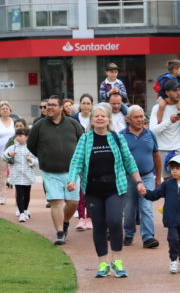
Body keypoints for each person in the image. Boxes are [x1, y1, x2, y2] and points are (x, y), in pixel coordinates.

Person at [67, 103, 145, 278]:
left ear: (109, 119)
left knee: (115, 221)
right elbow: (76, 162)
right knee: (99, 226)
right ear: (92, 120)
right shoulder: (85, 139)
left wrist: (138, 181)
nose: (100, 118)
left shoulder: (116, 138)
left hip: (115, 188)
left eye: (103, 116)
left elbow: (129, 161)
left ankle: (117, 261)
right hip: (93, 190)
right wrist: (72, 180)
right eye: (96, 116)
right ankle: (103, 263)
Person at [27, 95, 83, 245]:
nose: (49, 108)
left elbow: (82, 141)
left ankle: (65, 222)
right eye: (47, 105)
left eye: (53, 105)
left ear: (61, 107)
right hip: (50, 172)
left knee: (73, 203)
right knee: (56, 201)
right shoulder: (39, 126)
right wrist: (44, 156)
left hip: (72, 171)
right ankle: (59, 232)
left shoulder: (73, 124)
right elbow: (31, 145)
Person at [140, 155, 180, 274]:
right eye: (172, 168)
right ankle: (173, 261)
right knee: (172, 239)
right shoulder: (167, 184)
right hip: (170, 218)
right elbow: (155, 195)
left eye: (178, 168)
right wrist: (145, 193)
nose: (174, 171)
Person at [121, 105, 163, 248]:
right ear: (128, 119)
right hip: (128, 178)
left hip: (147, 177)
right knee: (129, 209)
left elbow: (156, 156)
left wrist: (158, 177)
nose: (140, 120)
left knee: (146, 207)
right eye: (136, 117)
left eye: (141, 116)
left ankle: (148, 237)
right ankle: (129, 233)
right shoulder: (121, 136)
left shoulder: (150, 134)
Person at [149, 80, 180, 179]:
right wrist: (170, 121)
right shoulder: (157, 108)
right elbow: (152, 131)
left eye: (179, 90)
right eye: (174, 90)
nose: (178, 92)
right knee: (168, 185)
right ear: (167, 92)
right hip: (163, 151)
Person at [3, 128, 38, 222]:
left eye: (21, 136)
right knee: (19, 193)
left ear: (27, 137)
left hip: (28, 175)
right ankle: (21, 213)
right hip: (16, 174)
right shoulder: (13, 147)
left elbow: (37, 161)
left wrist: (31, 160)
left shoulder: (31, 148)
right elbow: (3, 156)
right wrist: (9, 154)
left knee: (27, 194)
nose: (18, 138)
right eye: (17, 136)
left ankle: (25, 210)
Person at [70, 93, 94, 230]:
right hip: (78, 156)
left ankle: (90, 217)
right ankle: (81, 218)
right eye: (83, 103)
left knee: (89, 189)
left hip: (92, 157)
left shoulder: (96, 118)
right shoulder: (73, 119)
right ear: (79, 105)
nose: (85, 106)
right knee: (79, 189)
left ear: (92, 105)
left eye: (88, 103)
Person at [154, 59, 180, 125]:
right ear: (175, 70)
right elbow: (161, 90)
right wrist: (166, 98)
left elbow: (179, 89)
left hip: (174, 96)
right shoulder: (165, 79)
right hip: (164, 96)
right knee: (161, 105)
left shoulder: (178, 78)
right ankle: (159, 121)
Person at [0, 101, 16, 205]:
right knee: (1, 175)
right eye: (2, 108)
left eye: (7, 108)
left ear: (10, 111)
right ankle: (2, 196)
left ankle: (18, 195)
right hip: (0, 152)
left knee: (15, 174)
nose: (5, 109)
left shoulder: (14, 122)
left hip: (14, 152)